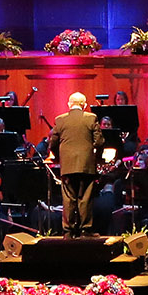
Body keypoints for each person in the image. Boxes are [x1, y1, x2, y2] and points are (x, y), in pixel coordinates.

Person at [53, 91, 102, 235]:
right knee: (85, 198)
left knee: (68, 198)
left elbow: (53, 143)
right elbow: (99, 142)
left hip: (67, 166)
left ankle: (68, 231)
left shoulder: (60, 120)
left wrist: (59, 157)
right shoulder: (91, 118)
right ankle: (85, 230)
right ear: (85, 105)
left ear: (69, 104)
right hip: (86, 165)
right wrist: (95, 158)